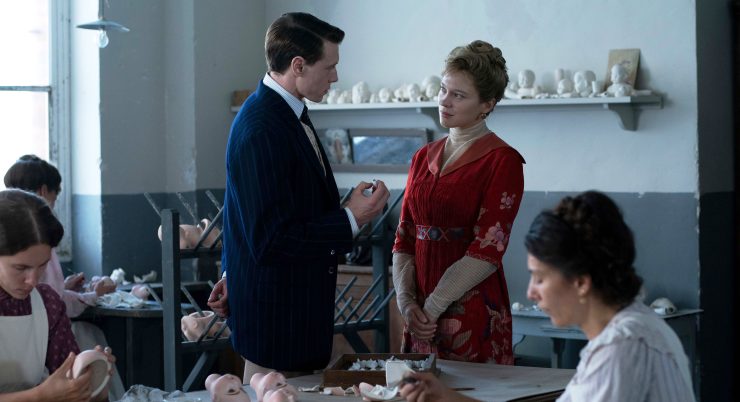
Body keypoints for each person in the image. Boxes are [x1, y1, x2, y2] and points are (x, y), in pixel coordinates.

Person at [207, 12, 390, 380]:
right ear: (298, 66)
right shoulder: (262, 126)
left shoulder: (287, 113)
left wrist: (232, 272)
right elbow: (271, 238)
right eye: (329, 67)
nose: (335, 77)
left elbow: (243, 213)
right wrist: (351, 218)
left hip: (292, 321)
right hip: (278, 329)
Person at [399, 191, 694, 402]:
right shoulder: (633, 325)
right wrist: (447, 397)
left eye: (540, 278)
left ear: (580, 282)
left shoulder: (622, 347)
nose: (531, 292)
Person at [392, 40, 525, 364]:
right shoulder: (422, 157)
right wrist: (406, 303)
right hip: (419, 312)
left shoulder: (502, 160)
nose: (444, 101)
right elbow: (404, 236)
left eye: (459, 95)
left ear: (487, 105)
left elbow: (487, 250)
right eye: (443, 90)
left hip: (470, 309)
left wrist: (434, 306)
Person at [3, 155, 124, 399]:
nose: (33, 280)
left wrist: (91, 380)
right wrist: (40, 396)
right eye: (20, 268)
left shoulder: (46, 303)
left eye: (42, 266)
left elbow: (70, 387)